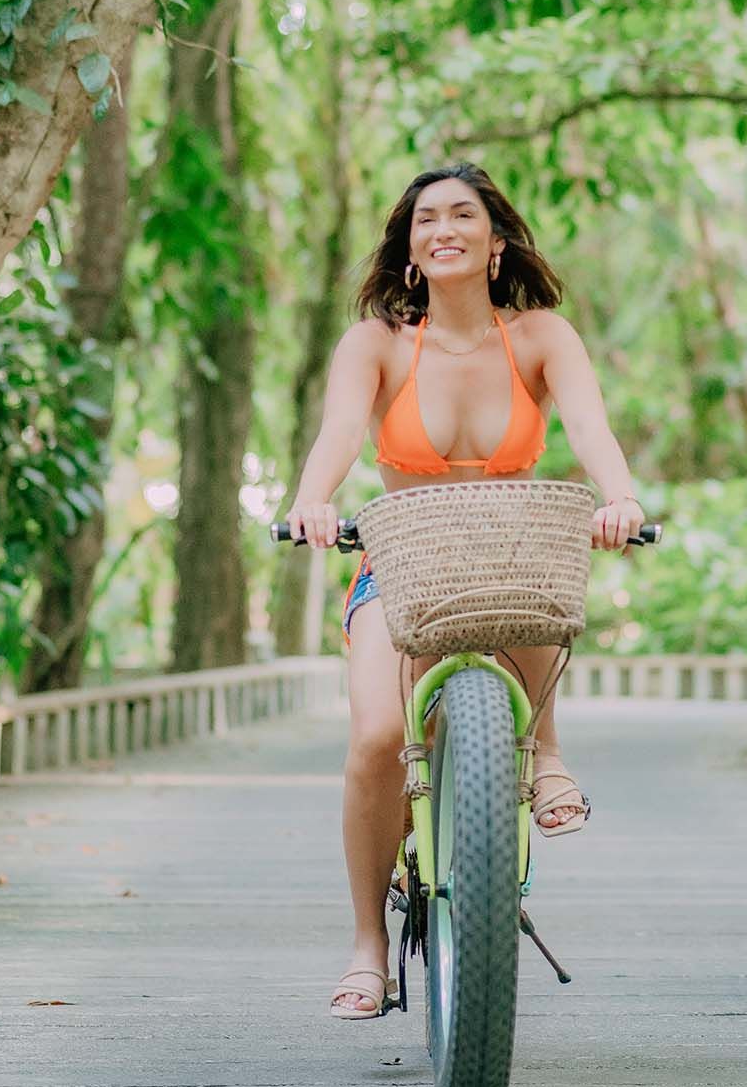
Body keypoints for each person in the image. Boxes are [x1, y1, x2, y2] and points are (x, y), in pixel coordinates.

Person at [286, 162, 645, 1020]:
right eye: (424, 221)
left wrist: (621, 497)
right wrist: (310, 500)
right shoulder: (375, 343)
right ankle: (368, 944)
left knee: (543, 560)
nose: (441, 229)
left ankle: (545, 756)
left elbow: (591, 428)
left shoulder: (541, 338)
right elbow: (340, 432)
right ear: (409, 251)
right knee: (377, 737)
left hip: (511, 555)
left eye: (461, 215)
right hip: (400, 565)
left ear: (495, 242)